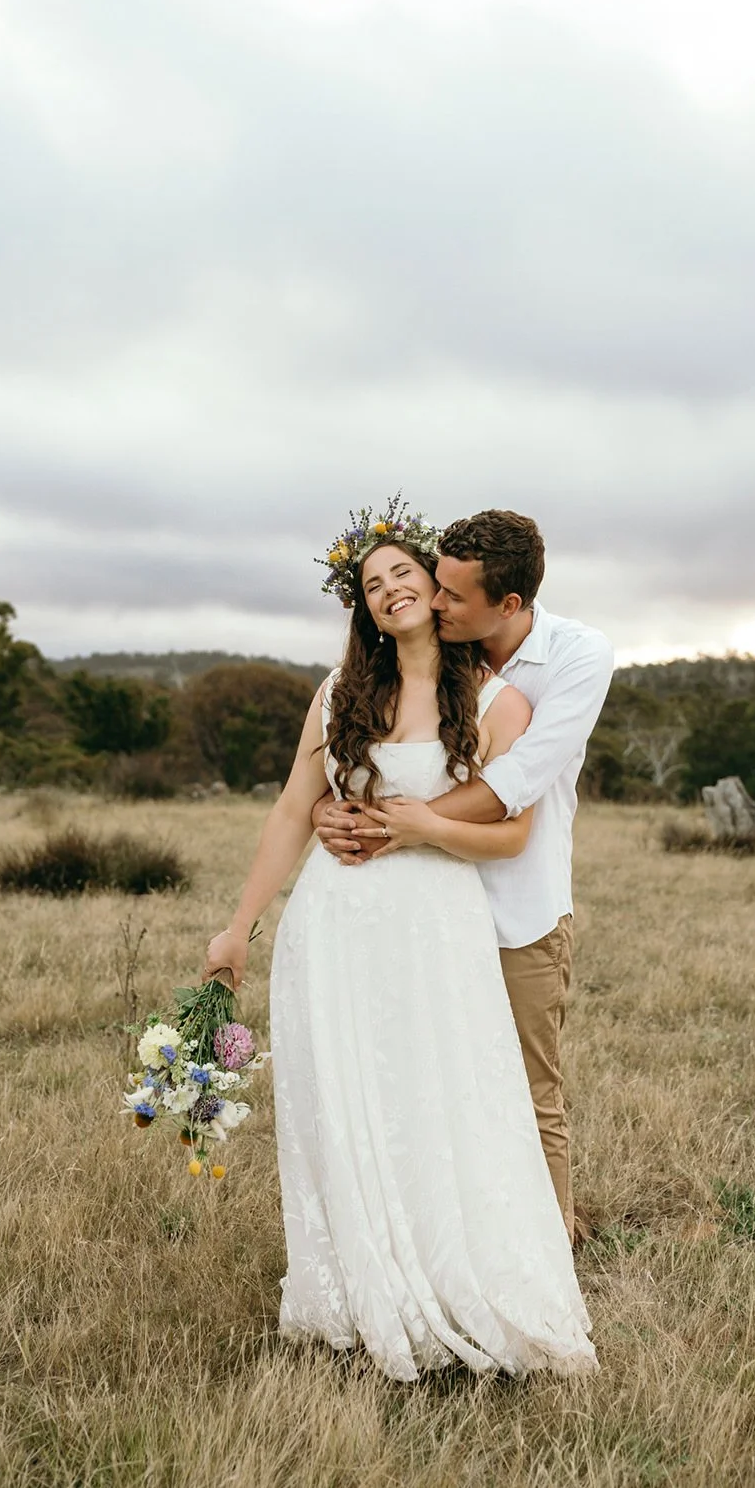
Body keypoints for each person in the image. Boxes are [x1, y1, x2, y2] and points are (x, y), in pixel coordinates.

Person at [205, 505, 596, 1382]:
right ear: (364, 610)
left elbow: (509, 835)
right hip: (335, 929)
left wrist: (415, 830)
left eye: (401, 576)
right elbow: (287, 812)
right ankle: (359, 1284)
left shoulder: (501, 701)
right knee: (349, 1105)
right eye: (370, 586)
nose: (388, 592)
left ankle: (457, 1280)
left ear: (435, 587)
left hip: (437, 930)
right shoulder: (339, 694)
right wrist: (239, 927)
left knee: (442, 1100)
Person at [314, 511, 614, 1246]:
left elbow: (517, 784)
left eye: (451, 595)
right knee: (434, 1084)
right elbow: (371, 753)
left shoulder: (576, 659)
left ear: (506, 605)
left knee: (528, 1089)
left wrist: (396, 827)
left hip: (518, 909)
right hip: (418, 911)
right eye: (435, 584)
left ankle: (548, 1255)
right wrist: (335, 807)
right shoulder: (437, 657)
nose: (435, 602)